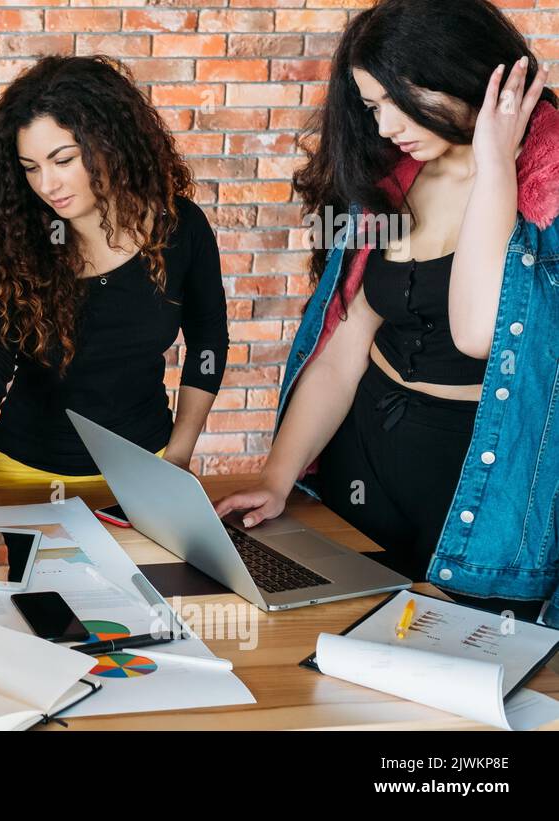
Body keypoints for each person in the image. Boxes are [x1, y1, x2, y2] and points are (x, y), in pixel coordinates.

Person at [215, 0, 559, 624]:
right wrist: (276, 476)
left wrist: (493, 165)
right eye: (374, 106)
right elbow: (342, 352)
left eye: (402, 100)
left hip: (476, 493)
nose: (385, 127)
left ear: (469, 72)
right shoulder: (394, 177)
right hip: (365, 452)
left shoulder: (547, 181)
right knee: (329, 656)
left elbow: (479, 332)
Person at [0, 55, 228, 598]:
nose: (48, 185)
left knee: (146, 623)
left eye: (62, 159)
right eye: (31, 167)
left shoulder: (181, 229)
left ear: (111, 140)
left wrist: (176, 460)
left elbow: (208, 340)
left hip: (143, 469)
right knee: (54, 623)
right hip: (32, 479)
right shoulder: (22, 248)